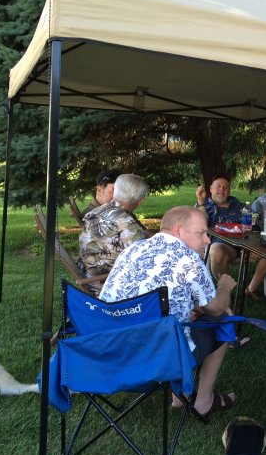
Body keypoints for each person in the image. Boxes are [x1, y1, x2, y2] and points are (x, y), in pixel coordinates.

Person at [99, 206, 238, 421]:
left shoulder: (132, 250)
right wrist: (224, 287)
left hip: (111, 354)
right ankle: (203, 401)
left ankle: (180, 397)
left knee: (178, 321)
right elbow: (215, 308)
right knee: (224, 317)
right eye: (201, 233)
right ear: (178, 231)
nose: (207, 240)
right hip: (159, 361)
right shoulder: (188, 259)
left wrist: (187, 309)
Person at [78, 174, 149, 294]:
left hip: (87, 277)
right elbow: (142, 261)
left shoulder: (95, 212)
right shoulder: (127, 224)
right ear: (140, 201)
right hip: (107, 287)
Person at [195, 173, 243, 279]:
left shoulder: (235, 202)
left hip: (246, 243)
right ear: (211, 188)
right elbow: (201, 225)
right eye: (218, 186)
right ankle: (226, 288)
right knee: (216, 251)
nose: (222, 189)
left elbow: (250, 219)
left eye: (226, 187)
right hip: (223, 246)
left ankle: (251, 287)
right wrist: (201, 203)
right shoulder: (204, 205)